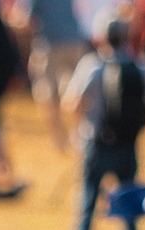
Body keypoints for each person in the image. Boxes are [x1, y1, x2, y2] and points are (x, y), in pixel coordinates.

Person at [66, 16, 145, 230]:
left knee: (88, 205)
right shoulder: (140, 66)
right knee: (129, 206)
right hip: (128, 146)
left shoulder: (92, 66)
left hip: (97, 145)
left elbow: (72, 103)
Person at [20, 0, 89, 151]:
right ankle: (81, 135)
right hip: (75, 41)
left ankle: (61, 141)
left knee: (46, 95)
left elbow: (27, 21)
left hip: (48, 45)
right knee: (78, 92)